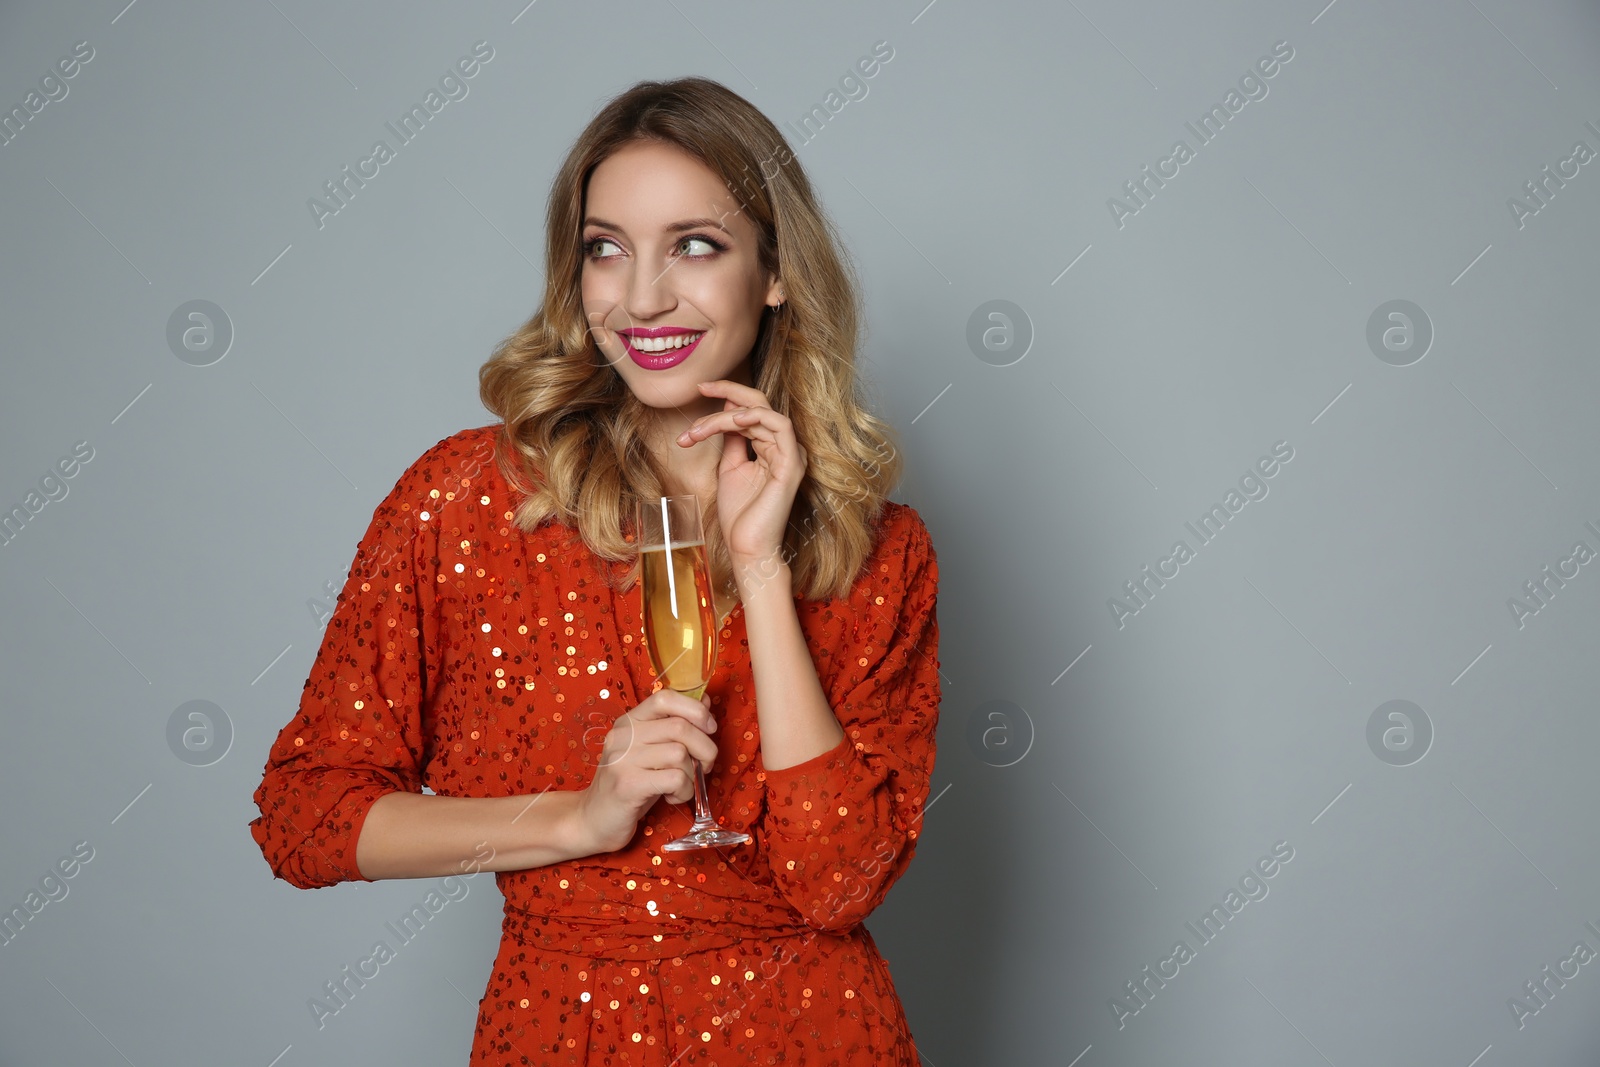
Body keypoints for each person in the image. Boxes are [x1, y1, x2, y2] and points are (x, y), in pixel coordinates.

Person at [249, 75, 941, 1066]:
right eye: (604, 248)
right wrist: (578, 816)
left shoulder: (882, 551)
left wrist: (758, 572)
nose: (644, 294)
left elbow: (834, 883)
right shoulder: (465, 503)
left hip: (809, 1030)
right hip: (561, 1026)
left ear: (776, 269)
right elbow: (304, 819)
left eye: (694, 245)